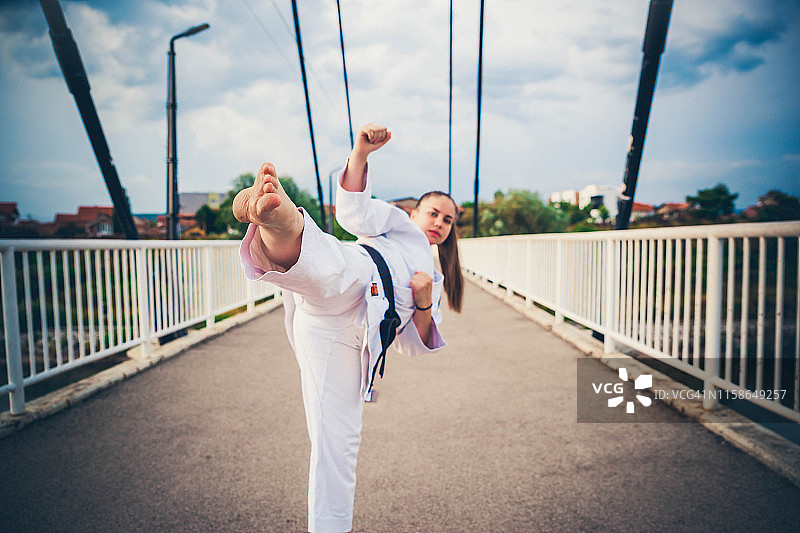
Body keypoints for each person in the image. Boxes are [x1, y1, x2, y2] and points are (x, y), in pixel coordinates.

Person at [233, 123, 463, 533]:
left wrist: (425, 299)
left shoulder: (436, 280)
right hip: (359, 279)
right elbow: (354, 211)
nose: (439, 223)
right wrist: (360, 154)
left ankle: (281, 231)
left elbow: (415, 343)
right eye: (433, 213)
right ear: (415, 214)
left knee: (337, 446)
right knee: (338, 269)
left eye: (448, 220)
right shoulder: (398, 228)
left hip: (353, 341)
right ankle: (282, 226)